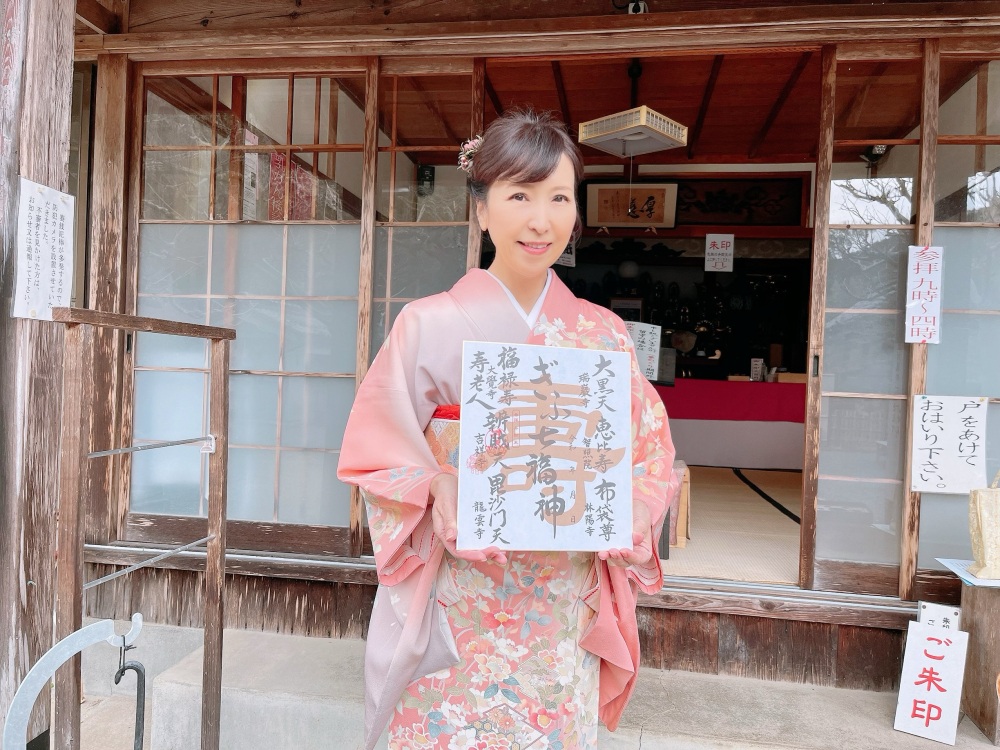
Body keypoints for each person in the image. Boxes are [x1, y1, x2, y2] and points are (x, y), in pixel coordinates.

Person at [337, 109, 677, 750]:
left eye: (559, 197)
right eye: (519, 195)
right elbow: (377, 450)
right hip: (461, 591)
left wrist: (632, 509)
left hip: (562, 601)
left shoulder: (603, 333)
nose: (540, 220)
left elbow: (648, 452)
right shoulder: (427, 323)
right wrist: (435, 484)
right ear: (482, 208)